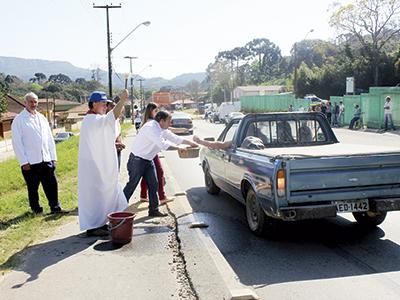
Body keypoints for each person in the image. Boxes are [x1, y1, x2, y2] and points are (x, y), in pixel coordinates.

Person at [123, 110, 198, 217]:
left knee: (154, 185)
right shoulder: (151, 128)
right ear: (161, 121)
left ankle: (153, 210)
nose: (170, 123)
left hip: (148, 160)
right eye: (169, 121)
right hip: (137, 160)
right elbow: (162, 144)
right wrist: (179, 148)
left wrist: (190, 143)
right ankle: (118, 209)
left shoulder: (161, 128)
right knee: (132, 185)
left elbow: (174, 138)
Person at [78, 90, 129, 236]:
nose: (105, 106)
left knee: (103, 194)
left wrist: (114, 144)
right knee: (96, 195)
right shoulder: (91, 120)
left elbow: (103, 137)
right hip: (93, 167)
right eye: (102, 103)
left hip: (97, 163)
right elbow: (112, 117)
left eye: (106, 104)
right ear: (93, 104)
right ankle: (93, 227)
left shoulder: (95, 119)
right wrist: (122, 100)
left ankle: (100, 223)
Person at [11, 92, 66, 214]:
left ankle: (55, 207)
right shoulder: (19, 120)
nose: (33, 104)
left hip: (46, 159)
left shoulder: (42, 118)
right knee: (33, 188)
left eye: (35, 101)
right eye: (30, 101)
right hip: (30, 161)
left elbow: (49, 139)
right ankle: (36, 209)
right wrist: (23, 161)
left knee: (51, 185)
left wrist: (53, 157)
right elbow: (17, 143)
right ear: (25, 103)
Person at [139, 103, 175, 205]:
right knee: (159, 172)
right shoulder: (152, 123)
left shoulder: (148, 122)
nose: (157, 112)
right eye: (155, 111)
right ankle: (162, 197)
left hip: (146, 152)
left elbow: (166, 130)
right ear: (150, 111)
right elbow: (165, 133)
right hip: (150, 153)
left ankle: (143, 195)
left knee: (145, 175)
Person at [106, 100, 126, 170]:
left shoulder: (116, 120)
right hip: (108, 153)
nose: (114, 108)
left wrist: (119, 141)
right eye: (112, 106)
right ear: (106, 107)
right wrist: (114, 144)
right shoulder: (104, 121)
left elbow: (119, 133)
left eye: (115, 106)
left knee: (117, 171)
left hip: (117, 150)